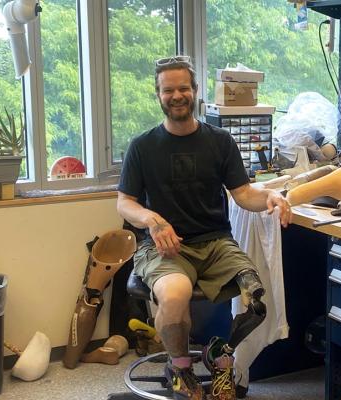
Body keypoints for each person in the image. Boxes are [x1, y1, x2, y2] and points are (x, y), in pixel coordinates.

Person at [117, 55, 292, 400]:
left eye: (183, 87)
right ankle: (180, 368)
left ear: (195, 91)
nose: (177, 95)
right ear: (159, 95)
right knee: (175, 293)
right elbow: (124, 202)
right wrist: (152, 219)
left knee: (256, 296)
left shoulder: (221, 141)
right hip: (164, 246)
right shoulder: (142, 147)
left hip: (215, 243)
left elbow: (243, 195)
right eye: (169, 90)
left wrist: (271, 196)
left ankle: (220, 355)